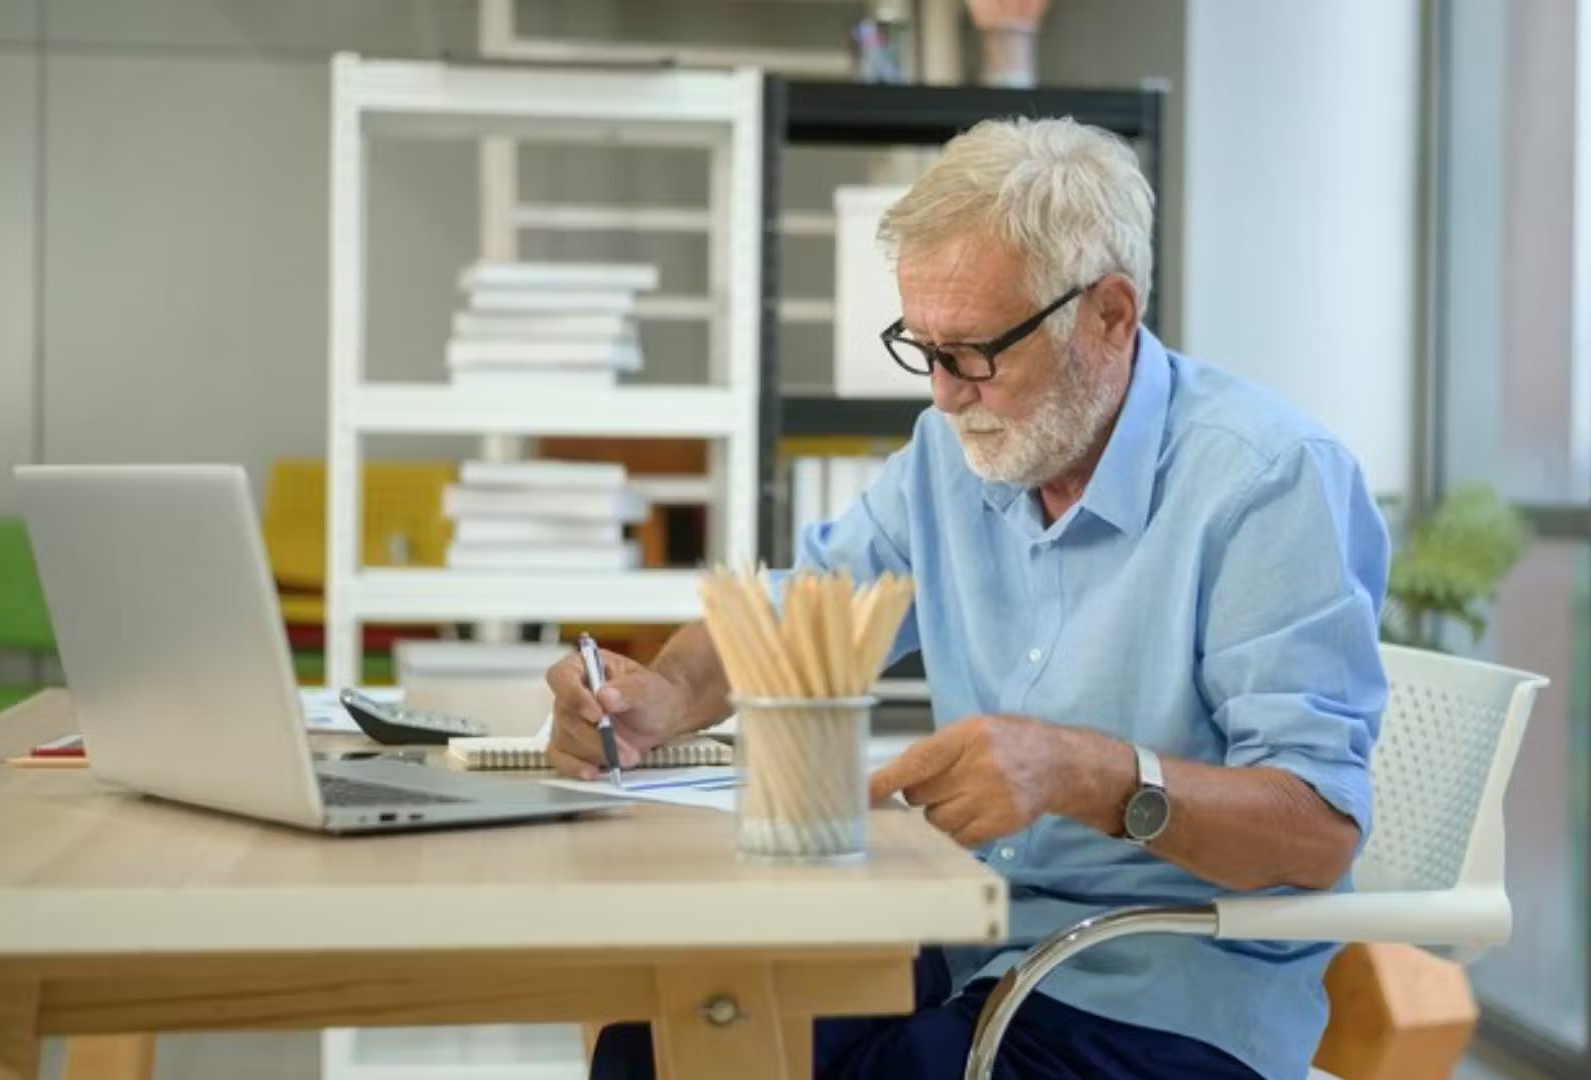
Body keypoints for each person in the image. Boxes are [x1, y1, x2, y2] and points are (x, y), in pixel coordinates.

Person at [548, 116, 1390, 1080]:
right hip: (957, 938)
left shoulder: (1268, 483)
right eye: (925, 348)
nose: (946, 396)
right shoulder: (952, 459)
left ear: (1111, 315)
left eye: (976, 352)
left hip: (1157, 990)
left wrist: (1084, 775)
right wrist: (663, 692)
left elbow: (1317, 832)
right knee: (659, 1047)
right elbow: (799, 611)